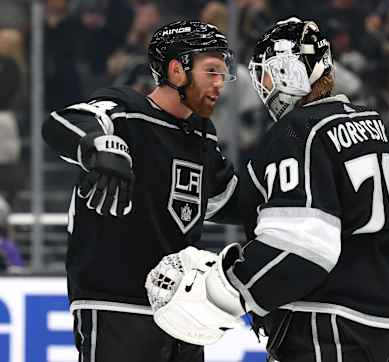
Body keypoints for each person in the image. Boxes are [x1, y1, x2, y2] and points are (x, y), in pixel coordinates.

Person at [146, 18, 389, 362]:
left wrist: (231, 289)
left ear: (290, 72)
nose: (264, 88)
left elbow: (304, 247)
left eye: (266, 75)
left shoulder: (298, 131)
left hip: (329, 322)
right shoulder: (369, 124)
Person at [42, 20, 240, 362]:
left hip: (183, 312)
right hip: (114, 303)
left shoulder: (203, 137)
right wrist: (98, 145)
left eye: (223, 72)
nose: (219, 83)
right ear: (177, 71)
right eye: (211, 71)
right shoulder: (125, 111)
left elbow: (232, 200)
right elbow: (61, 123)